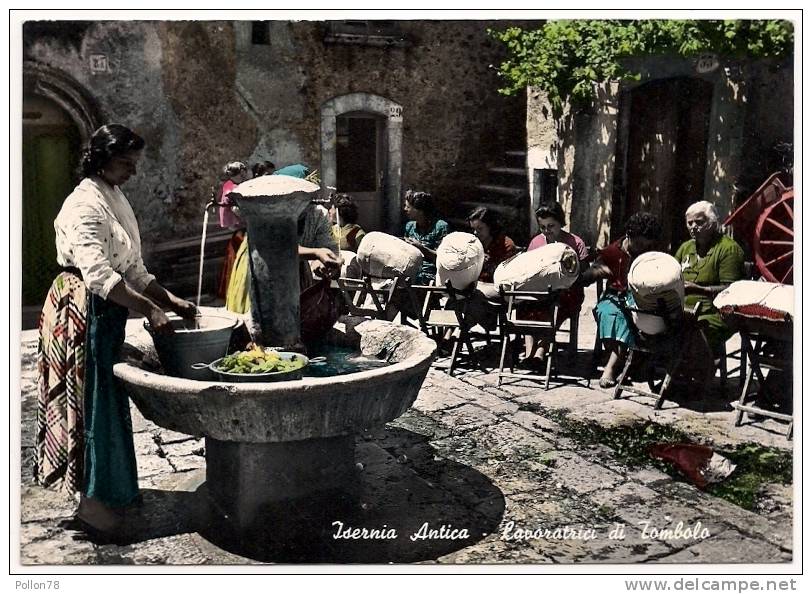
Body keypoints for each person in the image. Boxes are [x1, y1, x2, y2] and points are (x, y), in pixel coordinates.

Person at [36, 124, 197, 535]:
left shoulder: (114, 196)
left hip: (107, 311)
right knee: (90, 404)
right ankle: (91, 504)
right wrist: (149, 311)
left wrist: (171, 301)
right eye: (127, 163)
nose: (133, 172)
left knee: (108, 401)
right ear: (102, 159)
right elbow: (100, 277)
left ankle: (112, 491)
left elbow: (134, 268)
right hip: (82, 311)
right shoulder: (83, 205)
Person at [225, 164, 341, 316]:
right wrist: (316, 253)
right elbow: (277, 248)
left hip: (297, 272)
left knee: (294, 322)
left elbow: (328, 246)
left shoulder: (317, 214)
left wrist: (323, 264)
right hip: (259, 266)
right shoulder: (267, 209)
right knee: (258, 320)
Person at [580, 212, 661, 388]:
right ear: (629, 236)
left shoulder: (653, 254)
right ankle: (614, 364)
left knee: (632, 315)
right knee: (609, 312)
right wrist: (597, 272)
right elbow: (585, 277)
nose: (640, 249)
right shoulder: (612, 251)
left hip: (641, 300)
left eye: (645, 245)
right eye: (637, 244)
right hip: (614, 297)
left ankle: (613, 364)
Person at [674, 200, 745, 380]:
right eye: (689, 223)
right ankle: (677, 372)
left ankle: (698, 374)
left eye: (699, 222)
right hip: (685, 311)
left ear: (712, 223)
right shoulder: (686, 248)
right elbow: (671, 273)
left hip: (717, 313)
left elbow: (733, 289)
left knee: (693, 330)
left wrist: (701, 289)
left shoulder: (728, 249)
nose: (693, 227)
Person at [520, 202, 590, 367]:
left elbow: (584, 273)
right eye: (542, 226)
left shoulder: (575, 242)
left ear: (560, 223)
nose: (546, 231)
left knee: (555, 307)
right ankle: (530, 352)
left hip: (567, 292)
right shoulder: (536, 242)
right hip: (541, 290)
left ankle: (541, 351)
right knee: (524, 305)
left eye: (551, 226)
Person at [216, 161, 251, 300]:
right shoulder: (232, 188)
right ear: (240, 173)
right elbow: (236, 209)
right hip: (237, 225)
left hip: (235, 225)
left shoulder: (229, 184)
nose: (245, 176)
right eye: (243, 173)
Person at [403, 190, 449, 285]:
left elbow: (441, 258)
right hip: (409, 271)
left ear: (419, 210)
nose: (405, 209)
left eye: (408, 207)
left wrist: (420, 248)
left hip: (430, 275)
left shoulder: (440, 227)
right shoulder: (410, 226)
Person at [467, 206, 517, 283]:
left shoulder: (505, 245)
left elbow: (507, 273)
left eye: (480, 229)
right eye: (473, 229)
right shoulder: (472, 243)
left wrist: (487, 263)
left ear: (490, 226)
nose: (475, 233)